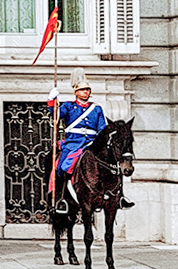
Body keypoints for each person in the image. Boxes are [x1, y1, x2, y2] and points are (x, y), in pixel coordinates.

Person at [49, 68, 132, 214]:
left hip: (93, 143)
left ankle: (120, 197)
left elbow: (102, 128)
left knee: (115, 165)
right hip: (74, 143)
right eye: (82, 90)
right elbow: (56, 117)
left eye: (87, 89)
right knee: (62, 166)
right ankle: (62, 199)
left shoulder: (96, 109)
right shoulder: (68, 106)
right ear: (76, 92)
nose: (86, 92)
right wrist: (52, 100)